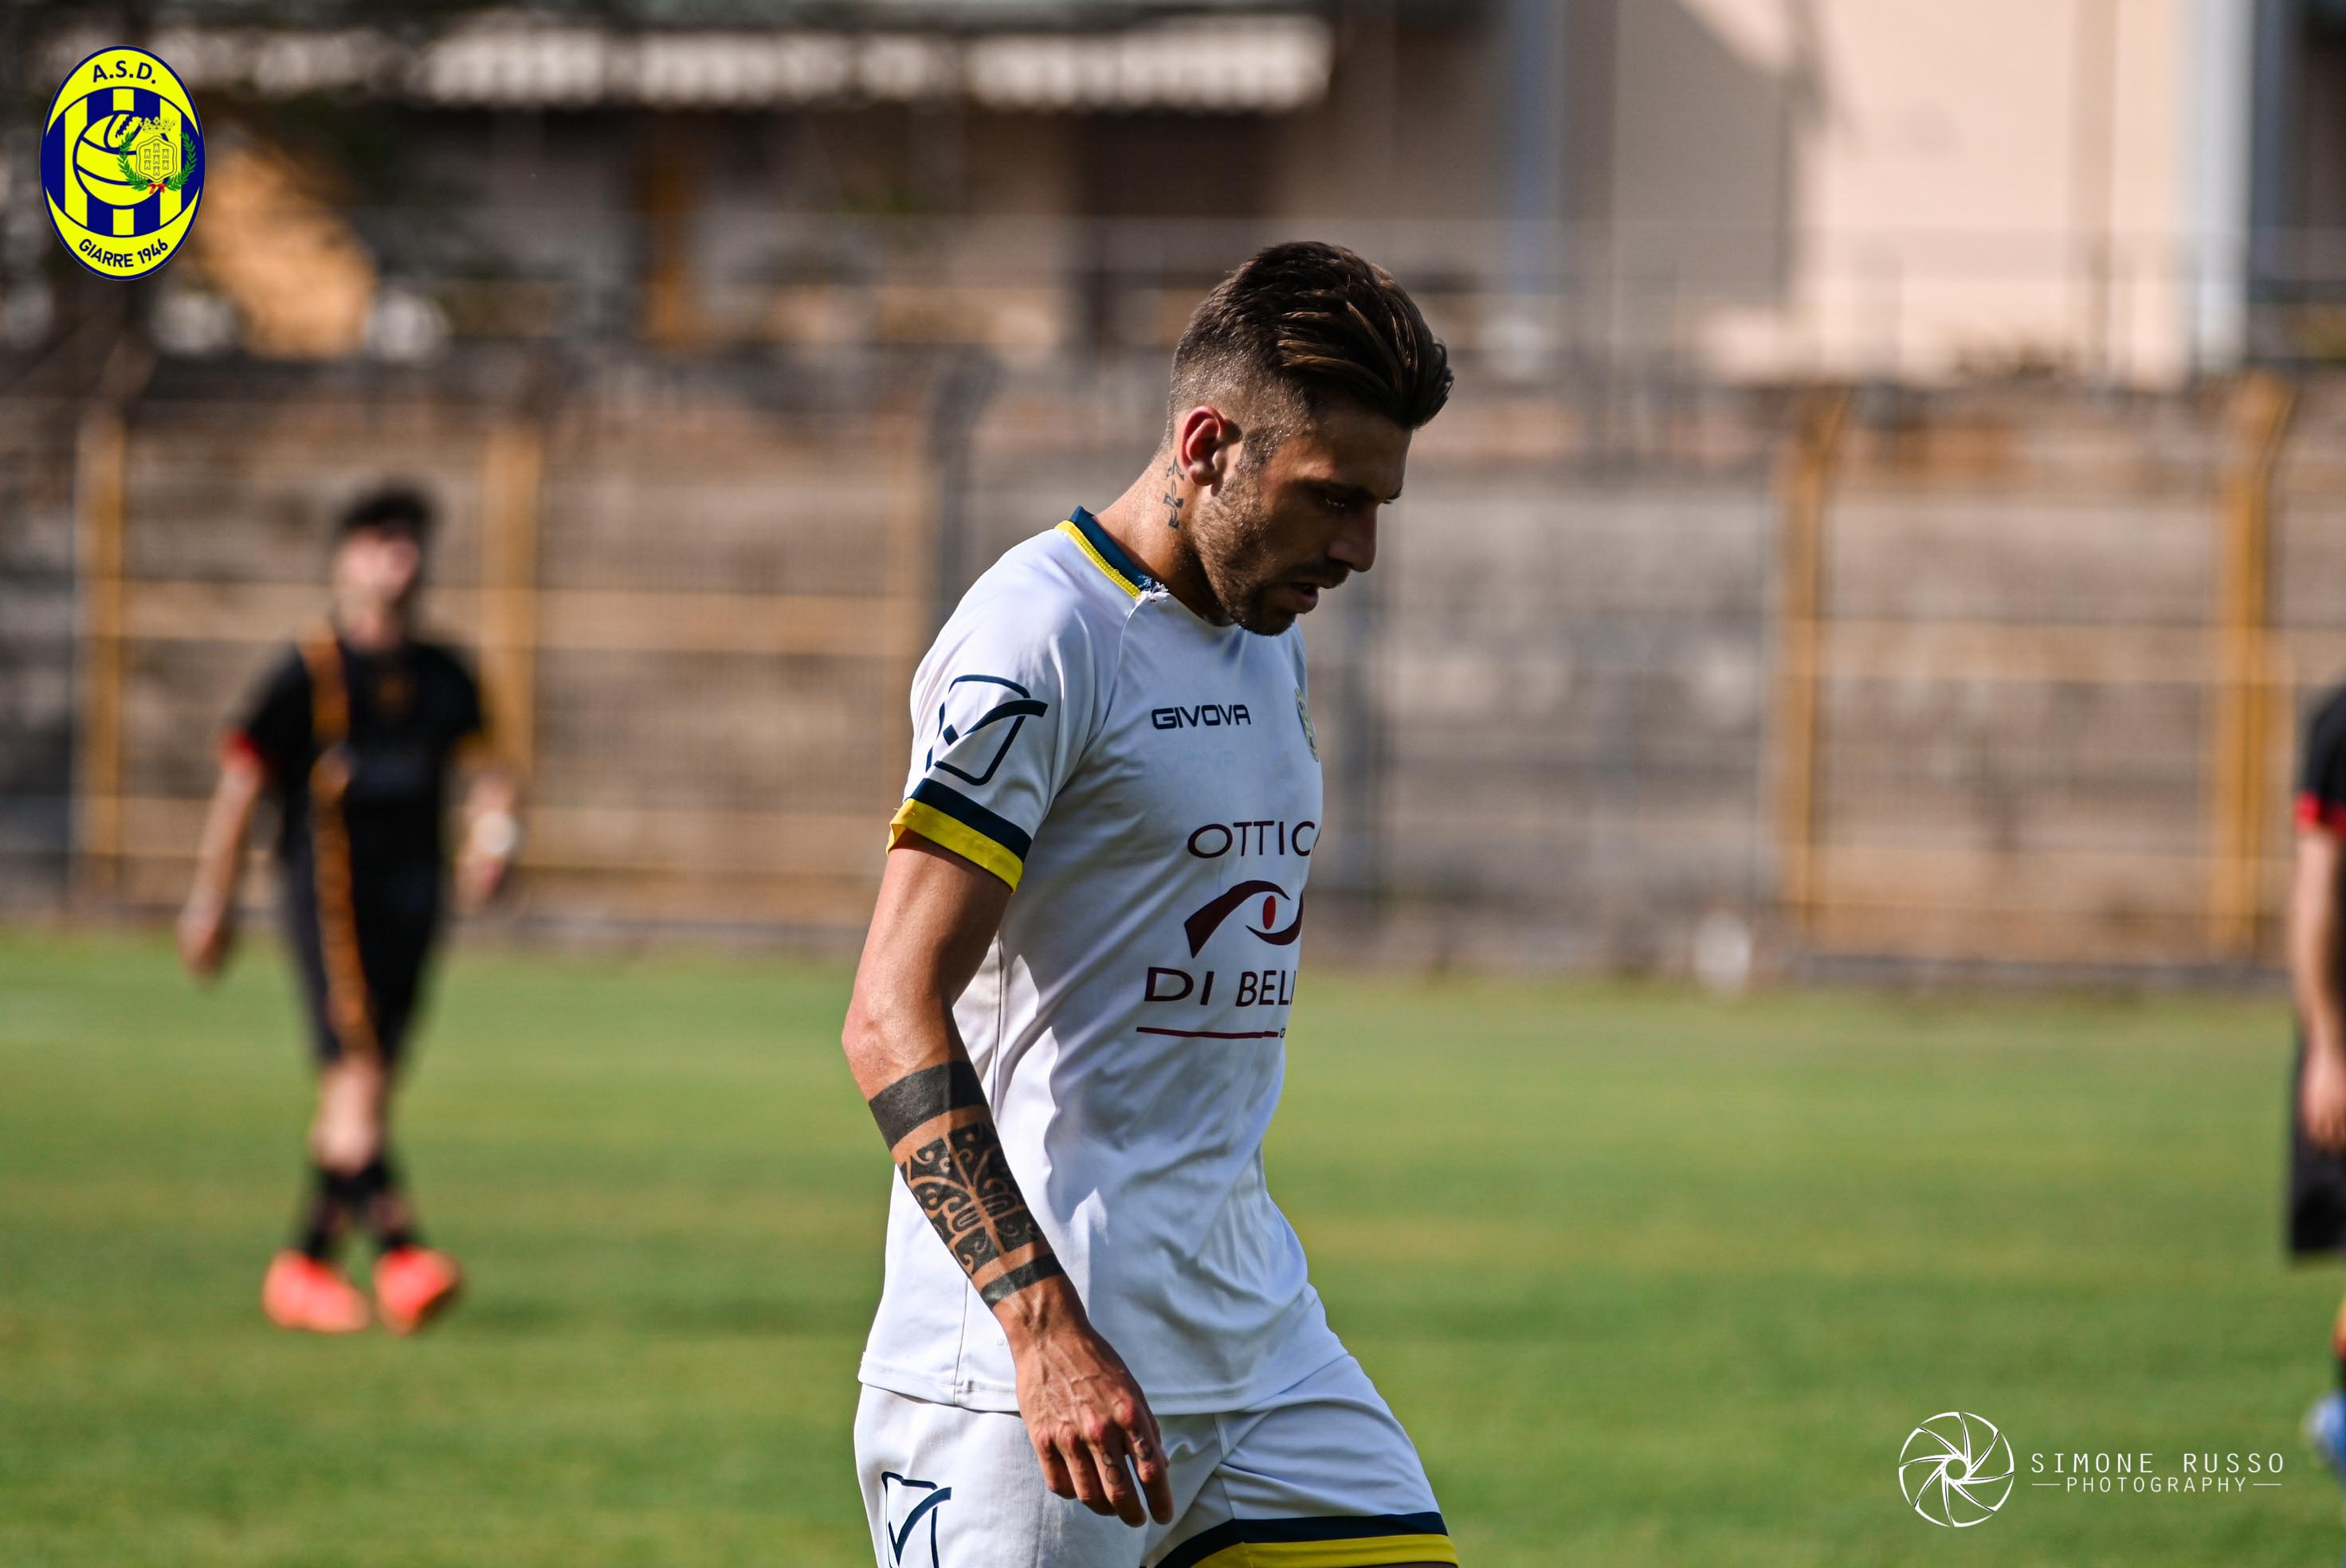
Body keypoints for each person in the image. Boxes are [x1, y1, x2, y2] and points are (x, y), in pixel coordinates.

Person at [841, 241, 1457, 1567]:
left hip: (1255, 1342)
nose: (1358, 548)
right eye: (1333, 498)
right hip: (1025, 1384)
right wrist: (1040, 1330)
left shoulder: (1263, 640)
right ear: (1207, 445)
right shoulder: (1041, 638)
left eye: (1379, 507)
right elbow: (888, 1013)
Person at [177, 485, 519, 1335]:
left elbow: (491, 775)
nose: (400, 560)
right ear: (344, 560)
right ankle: (404, 1253)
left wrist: (493, 841)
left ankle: (303, 1269)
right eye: (380, 542)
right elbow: (242, 784)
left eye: (411, 542)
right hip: (333, 899)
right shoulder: (309, 671)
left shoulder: (444, 673)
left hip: (415, 901)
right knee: (358, 1079)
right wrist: (211, 900)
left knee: (364, 1089)